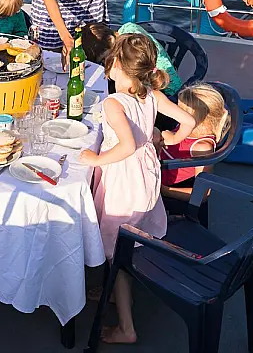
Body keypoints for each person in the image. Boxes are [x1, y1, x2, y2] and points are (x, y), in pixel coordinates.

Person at [79, 33, 196, 346]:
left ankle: (126, 326)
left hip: (123, 181)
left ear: (116, 65)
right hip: (145, 178)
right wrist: (165, 138)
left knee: (119, 248)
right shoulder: (152, 95)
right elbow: (187, 121)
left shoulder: (114, 103)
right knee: (128, 240)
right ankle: (113, 289)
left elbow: (127, 145)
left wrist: (96, 158)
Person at [82, 21, 182, 98]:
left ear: (110, 40)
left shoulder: (129, 47)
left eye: (105, 58)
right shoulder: (127, 28)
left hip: (167, 91)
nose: (106, 62)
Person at [158, 84, 230, 188]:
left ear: (194, 117)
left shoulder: (202, 147)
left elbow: (202, 193)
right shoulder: (183, 127)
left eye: (179, 110)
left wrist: (164, 190)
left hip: (160, 181)